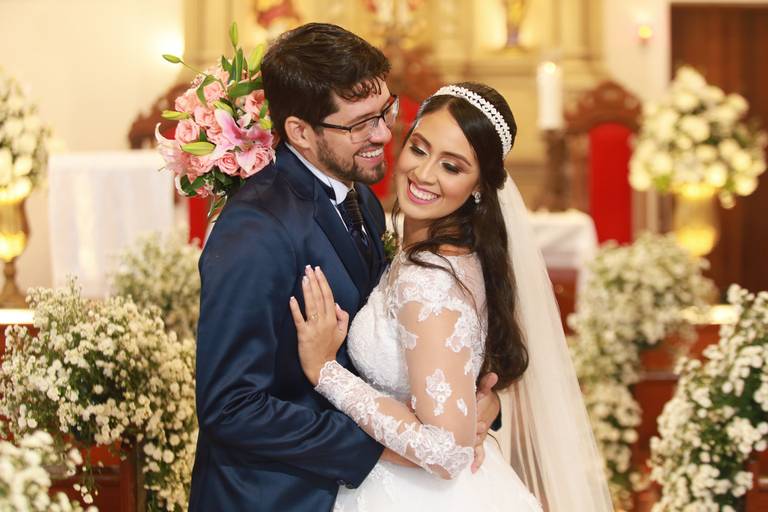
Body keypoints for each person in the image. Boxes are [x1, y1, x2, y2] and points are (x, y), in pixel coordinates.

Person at [189, 24, 500, 512]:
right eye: (360, 125)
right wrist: (394, 445)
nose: (384, 134)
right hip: (276, 497)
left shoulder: (363, 200)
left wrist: (472, 408)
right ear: (300, 132)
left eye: (384, 111)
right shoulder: (255, 230)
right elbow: (231, 406)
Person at [289, 82, 615, 511]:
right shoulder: (459, 253)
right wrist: (481, 404)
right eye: (419, 149)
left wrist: (326, 372)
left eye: (452, 166)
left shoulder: (429, 281)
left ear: (479, 185)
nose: (424, 174)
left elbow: (445, 451)